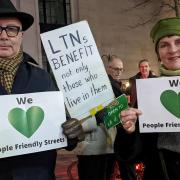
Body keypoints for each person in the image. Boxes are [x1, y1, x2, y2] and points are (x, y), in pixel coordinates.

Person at [0, 0, 85, 179]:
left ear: (21, 36)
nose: (4, 36)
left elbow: (62, 127)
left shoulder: (42, 78)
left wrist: (72, 132)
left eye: (12, 29)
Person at [116, 17, 180, 180]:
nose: (172, 49)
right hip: (160, 173)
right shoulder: (150, 91)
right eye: (164, 45)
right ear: (158, 54)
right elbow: (132, 155)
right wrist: (129, 131)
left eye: (178, 42)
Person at [77, 56, 123, 180]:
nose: (119, 72)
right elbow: (77, 120)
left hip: (110, 145)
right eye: (116, 69)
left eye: (121, 69)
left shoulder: (116, 88)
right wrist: (96, 118)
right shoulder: (84, 88)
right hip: (92, 149)